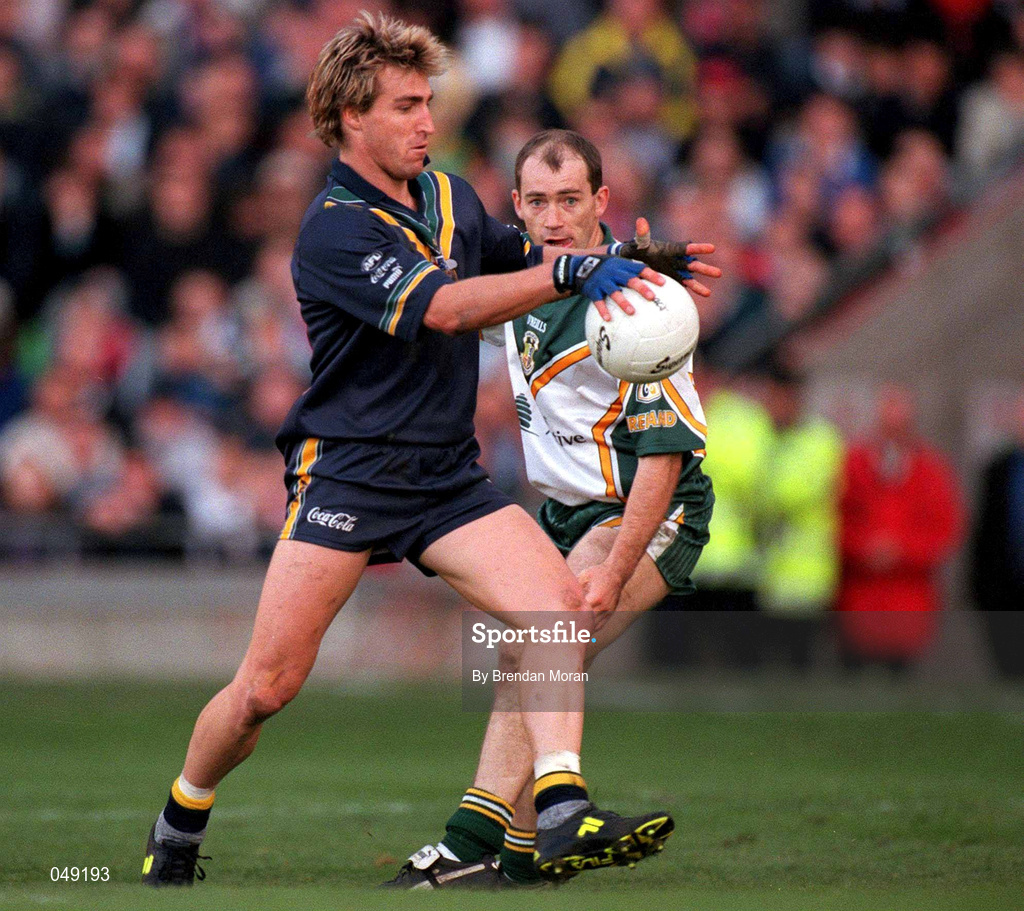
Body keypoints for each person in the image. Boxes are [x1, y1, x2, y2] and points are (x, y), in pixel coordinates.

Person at [140, 15, 720, 888]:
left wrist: (621, 259)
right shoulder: (333, 229)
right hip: (349, 475)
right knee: (265, 688)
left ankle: (561, 809)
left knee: (556, 612)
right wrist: (568, 273)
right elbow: (450, 308)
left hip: (448, 479)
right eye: (405, 106)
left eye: (429, 102)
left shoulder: (450, 195)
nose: (425, 121)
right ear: (348, 117)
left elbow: (529, 262)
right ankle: (181, 813)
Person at [385, 128, 718, 889]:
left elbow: (664, 460)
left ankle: (494, 834)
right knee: (524, 657)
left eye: (571, 199)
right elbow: (452, 302)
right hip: (564, 512)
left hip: (643, 510)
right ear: (518, 208)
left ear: (601, 200)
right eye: (538, 200)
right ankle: (519, 851)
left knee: (545, 634)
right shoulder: (534, 275)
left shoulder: (638, 304)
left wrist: (617, 568)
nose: (555, 215)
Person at [837, 385, 963, 672]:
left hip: (908, 599)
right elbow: (836, 518)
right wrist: (863, 548)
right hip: (860, 598)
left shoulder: (930, 470)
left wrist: (901, 551)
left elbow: (944, 528)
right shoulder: (853, 464)